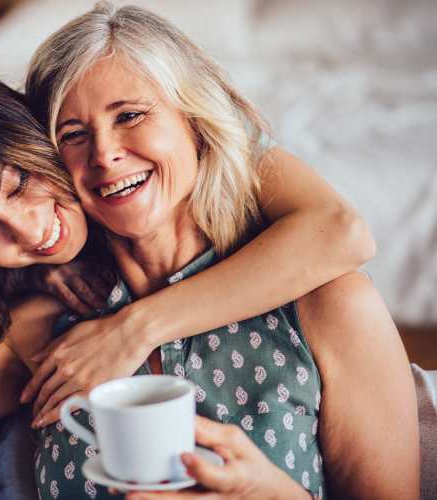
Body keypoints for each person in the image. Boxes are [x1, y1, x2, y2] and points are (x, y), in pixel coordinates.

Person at [0, 62, 384, 500]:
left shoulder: (316, 298)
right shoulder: (50, 336)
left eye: (19, 184)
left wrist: (134, 329)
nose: (31, 231)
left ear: (40, 135)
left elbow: (342, 231)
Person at [21, 2, 419, 499]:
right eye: (72, 135)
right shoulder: (49, 324)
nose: (104, 155)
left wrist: (135, 328)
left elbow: (344, 231)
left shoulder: (327, 308)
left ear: (195, 121)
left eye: (130, 115)